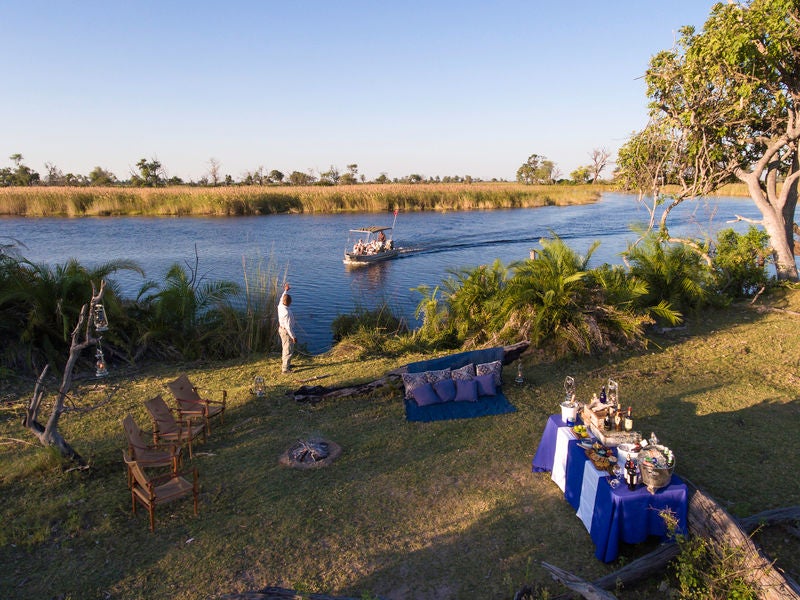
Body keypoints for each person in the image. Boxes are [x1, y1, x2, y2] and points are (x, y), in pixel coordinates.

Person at [277, 282, 297, 373]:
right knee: (288, 349)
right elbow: (288, 327)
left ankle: (286, 364)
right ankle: (285, 369)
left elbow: (282, 298)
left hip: (281, 329)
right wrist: (293, 337)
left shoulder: (280, 306)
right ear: (290, 302)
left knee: (284, 347)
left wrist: (285, 290)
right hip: (286, 332)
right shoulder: (287, 313)